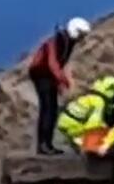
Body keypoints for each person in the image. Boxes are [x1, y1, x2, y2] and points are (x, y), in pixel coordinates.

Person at [28, 17, 91, 155]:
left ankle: (47, 144)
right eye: (81, 35)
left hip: (48, 75)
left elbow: (59, 64)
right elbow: (53, 63)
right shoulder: (57, 41)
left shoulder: (67, 41)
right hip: (41, 75)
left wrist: (61, 81)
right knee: (48, 109)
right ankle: (43, 145)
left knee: (52, 109)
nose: (81, 39)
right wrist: (62, 80)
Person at [55, 75, 114, 151]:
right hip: (74, 125)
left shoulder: (89, 96)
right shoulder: (99, 101)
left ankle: (76, 140)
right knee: (100, 131)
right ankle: (83, 145)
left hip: (64, 121)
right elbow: (93, 123)